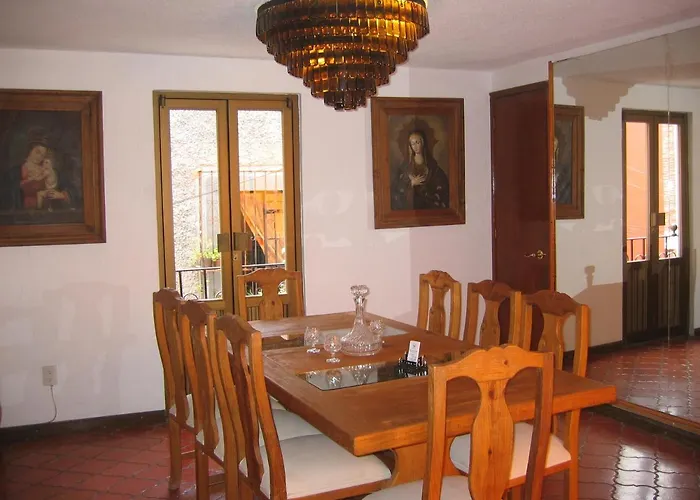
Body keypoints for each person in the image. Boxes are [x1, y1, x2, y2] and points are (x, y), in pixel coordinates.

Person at [390, 129, 450, 211]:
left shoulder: (432, 165)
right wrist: (411, 183)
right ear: (410, 146)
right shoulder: (405, 166)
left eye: (417, 142)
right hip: (411, 207)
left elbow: (442, 184)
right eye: (413, 143)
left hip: (428, 207)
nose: (415, 146)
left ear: (423, 143)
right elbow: (396, 189)